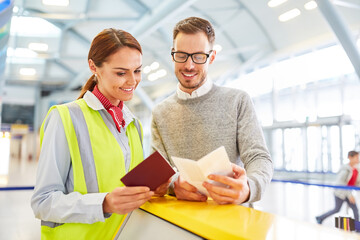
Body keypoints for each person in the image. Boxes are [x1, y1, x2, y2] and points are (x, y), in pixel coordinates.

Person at [31, 28, 169, 239]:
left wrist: (153, 189)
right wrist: (104, 203)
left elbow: (127, 188)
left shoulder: (133, 124)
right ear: (93, 67)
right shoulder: (64, 118)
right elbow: (43, 202)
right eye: (121, 73)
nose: (132, 81)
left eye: (137, 71)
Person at [151, 17, 273, 205]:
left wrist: (249, 187)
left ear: (212, 57)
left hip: (230, 220)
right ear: (172, 54)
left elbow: (258, 156)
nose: (189, 65)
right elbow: (160, 172)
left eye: (199, 56)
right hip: (180, 224)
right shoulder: (160, 112)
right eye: (182, 55)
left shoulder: (237, 101)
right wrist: (174, 185)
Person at [316, 150, 360, 224]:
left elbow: (355, 182)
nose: (358, 159)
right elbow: (341, 183)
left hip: (348, 193)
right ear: (350, 158)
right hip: (340, 193)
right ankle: (320, 218)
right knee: (336, 209)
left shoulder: (355, 170)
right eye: (356, 158)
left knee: (355, 209)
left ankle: (357, 228)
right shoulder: (345, 169)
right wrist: (349, 195)